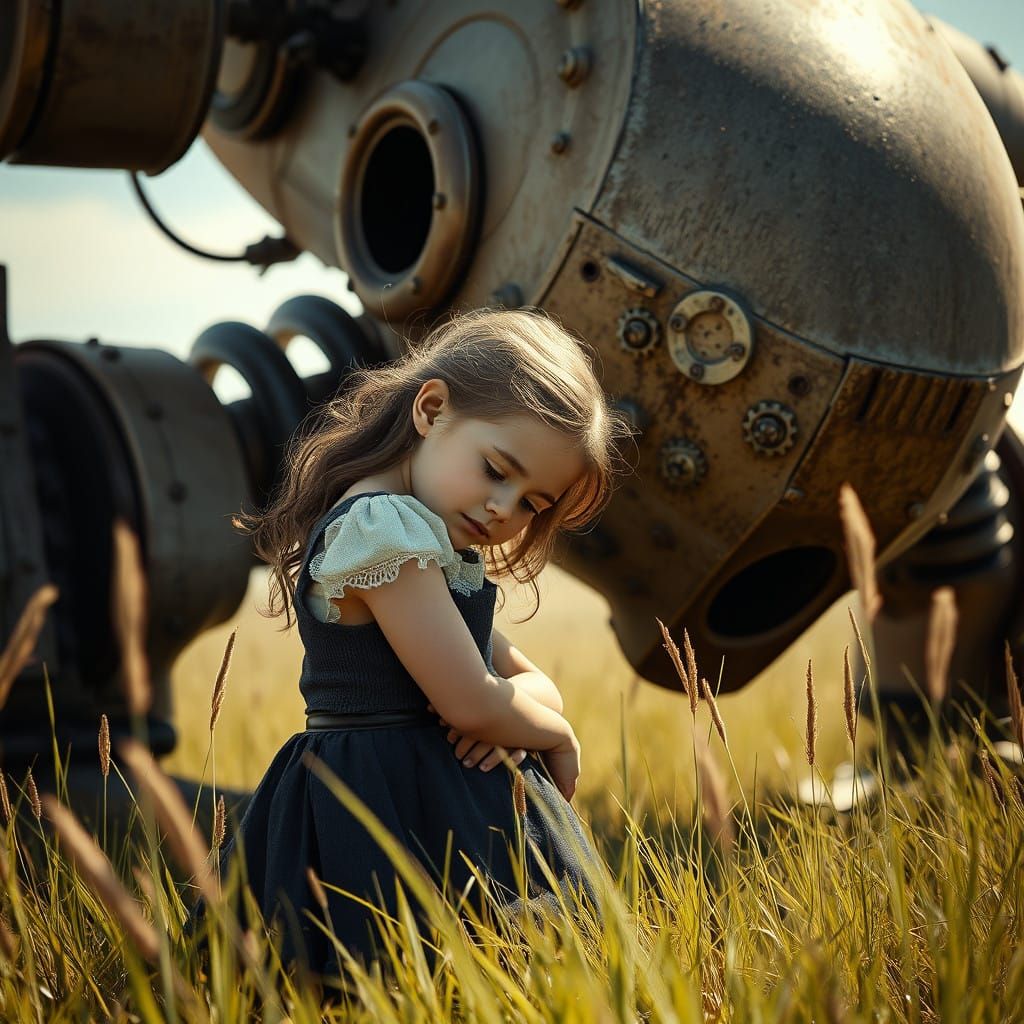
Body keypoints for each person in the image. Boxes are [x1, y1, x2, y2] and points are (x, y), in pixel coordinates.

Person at [219, 307, 632, 977]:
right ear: (432, 409)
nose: (505, 509)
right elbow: (469, 701)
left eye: (532, 503)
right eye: (496, 470)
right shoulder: (382, 534)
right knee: (385, 973)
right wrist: (552, 734)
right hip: (377, 801)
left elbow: (526, 682)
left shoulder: (425, 545)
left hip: (431, 793)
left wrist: (518, 713)